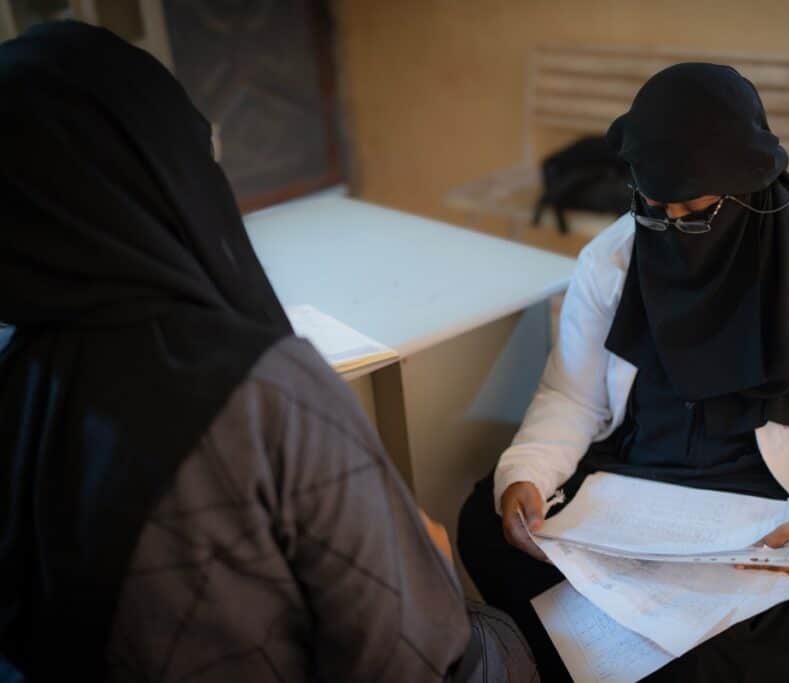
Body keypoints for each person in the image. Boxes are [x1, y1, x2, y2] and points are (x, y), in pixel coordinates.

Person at [0, 21, 535, 683]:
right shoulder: (262, 396)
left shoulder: (18, 375)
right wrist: (440, 574)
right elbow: (419, 660)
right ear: (170, 171)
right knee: (506, 633)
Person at [459, 63, 789, 682]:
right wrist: (529, 475)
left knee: (732, 646)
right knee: (483, 522)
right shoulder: (617, 258)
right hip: (630, 482)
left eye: (696, 211)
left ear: (749, 187)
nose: (673, 228)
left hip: (759, 516)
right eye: (655, 208)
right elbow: (570, 394)